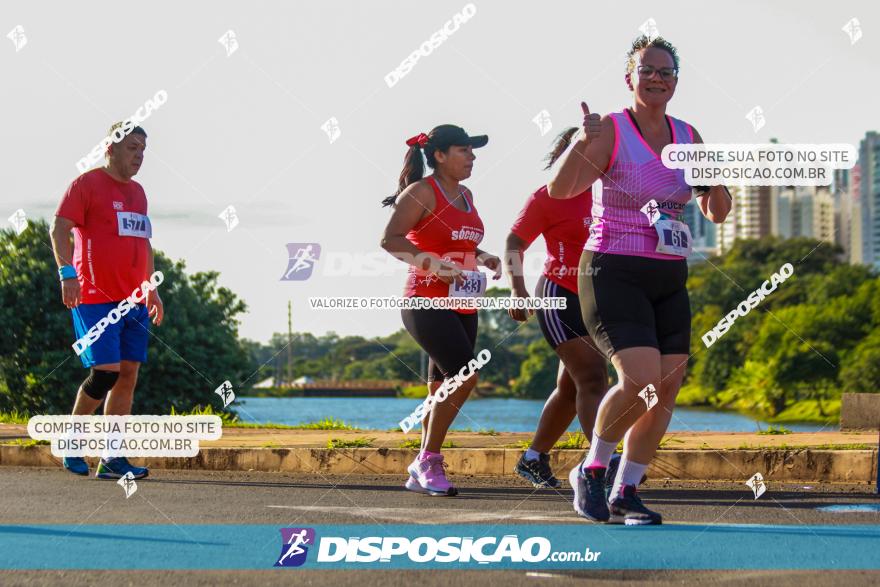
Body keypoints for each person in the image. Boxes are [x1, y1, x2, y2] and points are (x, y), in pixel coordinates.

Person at [547, 36, 731, 524]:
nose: (656, 78)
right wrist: (581, 144)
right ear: (629, 77)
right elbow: (560, 189)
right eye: (647, 70)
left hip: (669, 272)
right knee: (641, 380)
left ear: (676, 82)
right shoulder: (610, 129)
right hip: (613, 268)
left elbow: (717, 212)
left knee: (666, 388)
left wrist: (713, 177)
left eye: (666, 72)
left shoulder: (689, 135)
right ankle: (592, 470)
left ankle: (626, 489)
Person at [380, 124, 501, 496]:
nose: (473, 157)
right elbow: (390, 240)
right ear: (439, 155)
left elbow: (459, 240)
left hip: (464, 302)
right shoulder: (421, 192)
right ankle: (429, 460)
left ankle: (420, 469)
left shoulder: (466, 194)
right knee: (465, 375)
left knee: (440, 386)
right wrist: (434, 265)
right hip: (426, 301)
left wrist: (484, 256)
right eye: (465, 150)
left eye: (472, 150)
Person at [50, 121, 165, 480]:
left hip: (132, 301)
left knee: (127, 375)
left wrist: (152, 287)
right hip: (94, 297)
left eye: (143, 151)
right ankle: (72, 441)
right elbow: (59, 229)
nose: (139, 157)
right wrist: (67, 274)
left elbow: (142, 243)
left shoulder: (140, 194)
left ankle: (112, 458)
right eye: (132, 148)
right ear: (110, 148)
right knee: (105, 373)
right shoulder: (86, 184)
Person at [505, 128, 609, 489]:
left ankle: (533, 457)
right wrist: (517, 291)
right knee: (593, 377)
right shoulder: (547, 197)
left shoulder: (612, 194)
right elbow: (514, 243)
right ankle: (601, 467)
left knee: (571, 386)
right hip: (558, 295)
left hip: (600, 298)